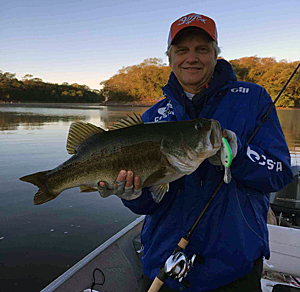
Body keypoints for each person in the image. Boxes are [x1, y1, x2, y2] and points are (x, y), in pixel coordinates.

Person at [98, 13, 293, 292]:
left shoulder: (253, 99)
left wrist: (240, 156)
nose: (192, 57)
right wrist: (133, 196)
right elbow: (150, 205)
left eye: (202, 49)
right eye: (182, 50)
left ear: (216, 54)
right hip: (164, 267)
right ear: (170, 58)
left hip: (234, 268)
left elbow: (280, 173)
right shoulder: (153, 116)